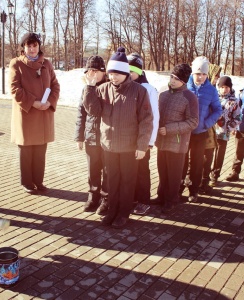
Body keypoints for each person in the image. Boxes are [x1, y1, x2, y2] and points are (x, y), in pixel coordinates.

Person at [83, 47, 153, 228]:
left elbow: (146, 120)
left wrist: (142, 146)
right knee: (112, 181)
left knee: (127, 182)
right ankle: (112, 210)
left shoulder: (139, 91)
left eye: (117, 74)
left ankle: (123, 213)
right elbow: (94, 111)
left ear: (125, 73)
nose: (113, 77)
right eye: (111, 73)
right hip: (109, 146)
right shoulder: (103, 89)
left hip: (130, 147)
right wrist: (89, 88)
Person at [9, 32, 60, 194]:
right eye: (28, 46)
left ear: (39, 47)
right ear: (23, 48)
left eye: (35, 46)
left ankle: (38, 181)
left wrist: (50, 102)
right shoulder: (16, 64)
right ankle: (27, 182)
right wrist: (34, 102)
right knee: (27, 151)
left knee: (40, 151)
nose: (32, 49)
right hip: (27, 114)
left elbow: (55, 85)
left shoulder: (47, 64)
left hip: (44, 114)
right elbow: (15, 89)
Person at [153, 64, 198, 213]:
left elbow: (193, 122)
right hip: (162, 141)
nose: (172, 80)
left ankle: (171, 200)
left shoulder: (190, 97)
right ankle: (161, 196)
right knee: (162, 171)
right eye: (172, 77)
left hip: (177, 143)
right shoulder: (164, 94)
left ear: (184, 81)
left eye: (177, 79)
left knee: (174, 174)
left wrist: (170, 129)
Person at [181, 56, 222, 203]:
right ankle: (179, 188)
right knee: (182, 161)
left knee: (197, 163)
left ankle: (194, 190)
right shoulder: (184, 87)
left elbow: (218, 110)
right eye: (198, 73)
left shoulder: (211, 90)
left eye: (204, 74)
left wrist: (206, 123)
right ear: (193, 73)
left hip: (200, 132)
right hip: (184, 132)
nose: (201, 77)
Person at [74, 55, 108, 215]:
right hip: (91, 136)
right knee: (93, 170)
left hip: (107, 138)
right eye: (89, 71)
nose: (92, 74)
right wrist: (79, 137)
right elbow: (81, 113)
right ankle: (93, 196)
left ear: (103, 71)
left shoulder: (109, 86)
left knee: (108, 170)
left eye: (96, 71)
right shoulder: (86, 88)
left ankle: (105, 199)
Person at [127, 53, 159, 215]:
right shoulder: (125, 86)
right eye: (128, 70)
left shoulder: (148, 89)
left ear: (140, 71)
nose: (130, 74)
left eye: (133, 70)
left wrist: (149, 141)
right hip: (127, 139)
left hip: (142, 139)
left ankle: (143, 200)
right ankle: (132, 198)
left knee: (142, 170)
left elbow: (154, 117)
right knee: (130, 170)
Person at [210, 76, 241, 186]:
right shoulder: (214, 98)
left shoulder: (234, 101)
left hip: (223, 132)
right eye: (222, 87)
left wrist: (230, 127)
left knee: (219, 154)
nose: (224, 89)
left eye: (227, 87)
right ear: (219, 87)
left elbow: (238, 117)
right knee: (208, 153)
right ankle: (205, 174)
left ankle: (215, 175)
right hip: (210, 131)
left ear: (230, 87)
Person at [199, 63, 221, 194]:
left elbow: (217, 110)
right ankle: (198, 182)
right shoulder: (205, 90)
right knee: (200, 157)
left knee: (208, 156)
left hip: (209, 129)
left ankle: (204, 182)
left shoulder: (212, 90)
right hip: (202, 130)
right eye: (216, 76)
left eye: (218, 76)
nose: (217, 79)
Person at [226, 88, 244, 181]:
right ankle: (235, 172)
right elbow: (237, 111)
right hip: (242, 127)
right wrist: (235, 127)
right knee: (238, 151)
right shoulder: (241, 93)